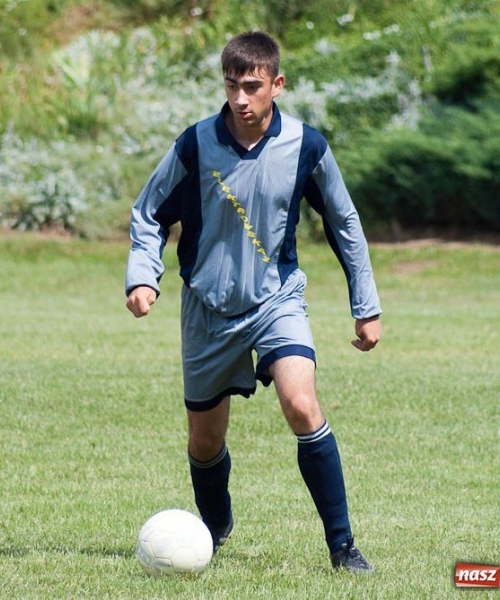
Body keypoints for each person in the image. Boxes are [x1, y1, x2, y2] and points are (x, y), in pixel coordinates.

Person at [125, 31, 381, 573]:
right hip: (207, 307)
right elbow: (148, 212)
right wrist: (143, 277)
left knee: (302, 405)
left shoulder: (306, 146)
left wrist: (366, 304)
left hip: (276, 300)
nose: (240, 99)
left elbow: (344, 221)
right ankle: (213, 530)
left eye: (252, 86)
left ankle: (343, 547)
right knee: (204, 442)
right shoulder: (195, 145)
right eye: (231, 86)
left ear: (277, 85)